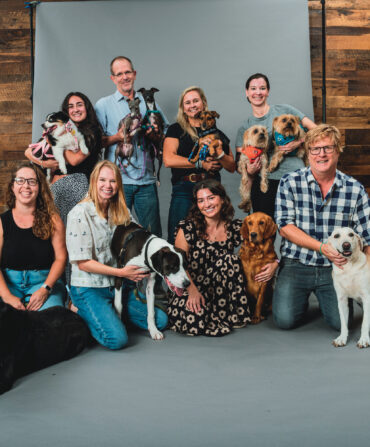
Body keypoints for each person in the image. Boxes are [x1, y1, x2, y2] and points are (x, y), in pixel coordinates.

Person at [273, 124, 370, 330]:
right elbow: (284, 226)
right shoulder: (290, 182)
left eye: (328, 148)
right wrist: (320, 247)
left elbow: (366, 237)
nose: (321, 154)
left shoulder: (355, 189)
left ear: (338, 151)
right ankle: (300, 296)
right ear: (308, 153)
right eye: (315, 149)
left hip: (337, 267)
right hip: (296, 262)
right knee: (284, 320)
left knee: (340, 324)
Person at [66, 160, 168, 350]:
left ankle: (110, 315)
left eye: (113, 181)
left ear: (118, 185)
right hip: (90, 287)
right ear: (94, 181)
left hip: (117, 286)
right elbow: (83, 263)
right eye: (102, 180)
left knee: (160, 321)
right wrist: (122, 273)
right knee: (117, 339)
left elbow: (139, 235)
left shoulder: (120, 210)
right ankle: (79, 309)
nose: (108, 186)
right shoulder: (79, 213)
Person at [167, 178, 251, 336]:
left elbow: (260, 240)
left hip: (219, 290)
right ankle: (211, 312)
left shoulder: (235, 227)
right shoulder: (187, 227)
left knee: (230, 260)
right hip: (190, 284)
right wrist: (192, 291)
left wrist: (275, 262)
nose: (207, 204)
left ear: (222, 199)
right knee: (196, 322)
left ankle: (223, 311)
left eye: (211, 198)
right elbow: (177, 265)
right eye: (201, 200)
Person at [95, 56, 164, 237]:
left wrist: (154, 134)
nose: (124, 77)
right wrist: (118, 137)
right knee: (116, 234)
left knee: (151, 234)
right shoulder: (103, 105)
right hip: (117, 183)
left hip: (146, 181)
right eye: (119, 74)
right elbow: (96, 142)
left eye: (127, 72)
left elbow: (164, 137)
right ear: (113, 78)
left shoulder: (149, 101)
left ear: (134, 74)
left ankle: (149, 266)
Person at [235, 73, 316, 219]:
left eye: (262, 88)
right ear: (247, 92)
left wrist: (297, 143)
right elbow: (239, 163)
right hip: (265, 183)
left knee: (298, 228)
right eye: (253, 88)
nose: (258, 92)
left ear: (268, 91)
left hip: (295, 177)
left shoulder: (285, 110)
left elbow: (317, 131)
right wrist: (249, 170)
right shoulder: (245, 127)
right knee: (264, 232)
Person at [163, 86, 235, 243]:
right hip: (184, 188)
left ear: (203, 103)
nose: (192, 105)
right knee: (177, 238)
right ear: (183, 108)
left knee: (212, 237)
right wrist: (201, 164)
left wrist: (220, 155)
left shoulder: (217, 133)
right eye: (187, 102)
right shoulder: (176, 130)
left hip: (212, 189)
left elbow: (231, 166)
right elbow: (168, 160)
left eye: (196, 100)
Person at [25, 92, 103, 224]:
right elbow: (28, 152)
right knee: (47, 225)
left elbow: (74, 160)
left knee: (64, 227)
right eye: (70, 107)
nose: (75, 109)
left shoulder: (92, 131)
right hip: (51, 185)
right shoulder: (59, 130)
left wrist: (54, 142)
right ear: (66, 112)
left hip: (76, 184)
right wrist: (45, 163)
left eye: (79, 105)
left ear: (87, 108)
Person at [0, 162, 66, 311]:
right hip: (8, 284)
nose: (26, 186)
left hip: (43, 282)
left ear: (40, 187)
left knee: (52, 323)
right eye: (20, 180)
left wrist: (45, 289)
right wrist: (6, 296)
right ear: (12, 186)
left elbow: (61, 258)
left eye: (32, 181)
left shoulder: (53, 220)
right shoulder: (1, 222)